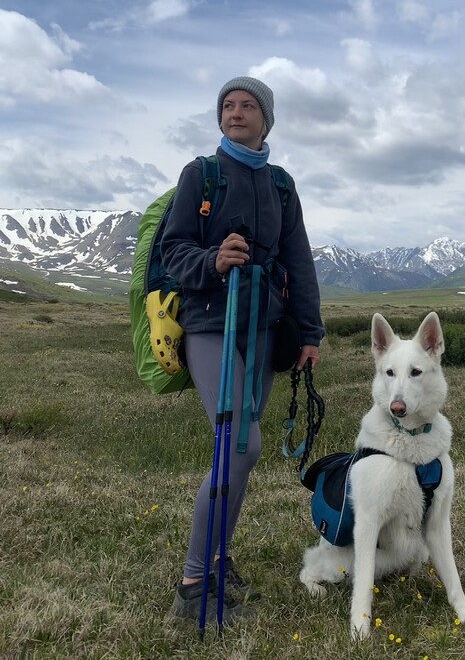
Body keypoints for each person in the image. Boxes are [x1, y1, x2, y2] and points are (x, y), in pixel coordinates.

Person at [160, 76, 324, 624]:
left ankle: (216, 559)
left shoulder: (281, 184)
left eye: (248, 105)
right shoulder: (199, 175)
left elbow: (298, 261)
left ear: (266, 119)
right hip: (211, 324)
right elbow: (172, 250)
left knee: (240, 455)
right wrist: (212, 262)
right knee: (240, 446)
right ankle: (193, 584)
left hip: (264, 327)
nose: (235, 112)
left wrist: (309, 333)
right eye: (228, 105)